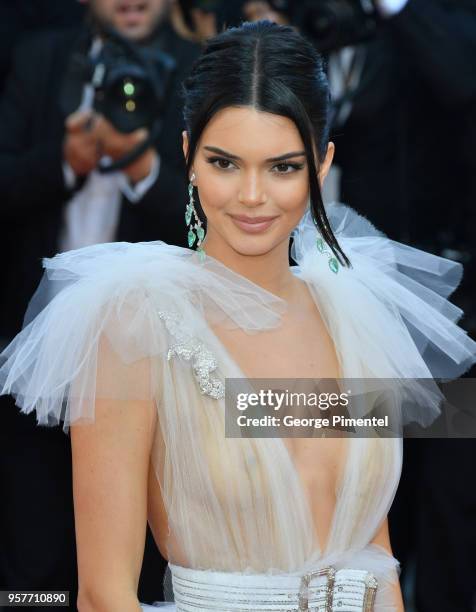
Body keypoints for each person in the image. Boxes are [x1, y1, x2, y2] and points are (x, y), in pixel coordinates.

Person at [1, 20, 475, 612]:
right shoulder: (136, 322)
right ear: (187, 156)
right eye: (225, 163)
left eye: (282, 167)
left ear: (322, 165)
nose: (252, 196)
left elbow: (373, 549)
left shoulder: (356, 311)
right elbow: (102, 594)